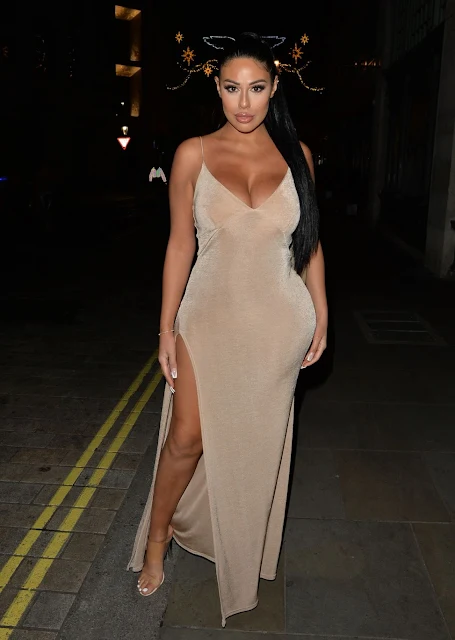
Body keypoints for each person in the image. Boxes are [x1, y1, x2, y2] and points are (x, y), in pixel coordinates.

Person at [127, 31, 328, 627]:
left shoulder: (299, 156)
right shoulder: (192, 154)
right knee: (187, 436)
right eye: (232, 88)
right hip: (208, 316)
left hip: (278, 324)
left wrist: (321, 314)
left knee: (252, 443)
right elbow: (179, 245)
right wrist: (166, 329)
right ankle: (157, 538)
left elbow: (310, 245)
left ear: (275, 88)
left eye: (257, 88)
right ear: (215, 87)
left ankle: (238, 543)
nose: (244, 102)